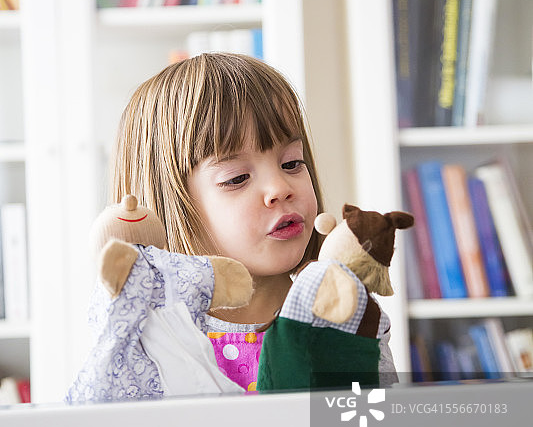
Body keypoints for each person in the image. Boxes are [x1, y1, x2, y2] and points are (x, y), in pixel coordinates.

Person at [69, 52, 397, 401]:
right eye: (237, 177)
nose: (280, 188)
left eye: (291, 163)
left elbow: (372, 422)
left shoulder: (341, 312)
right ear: (170, 204)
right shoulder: (153, 334)